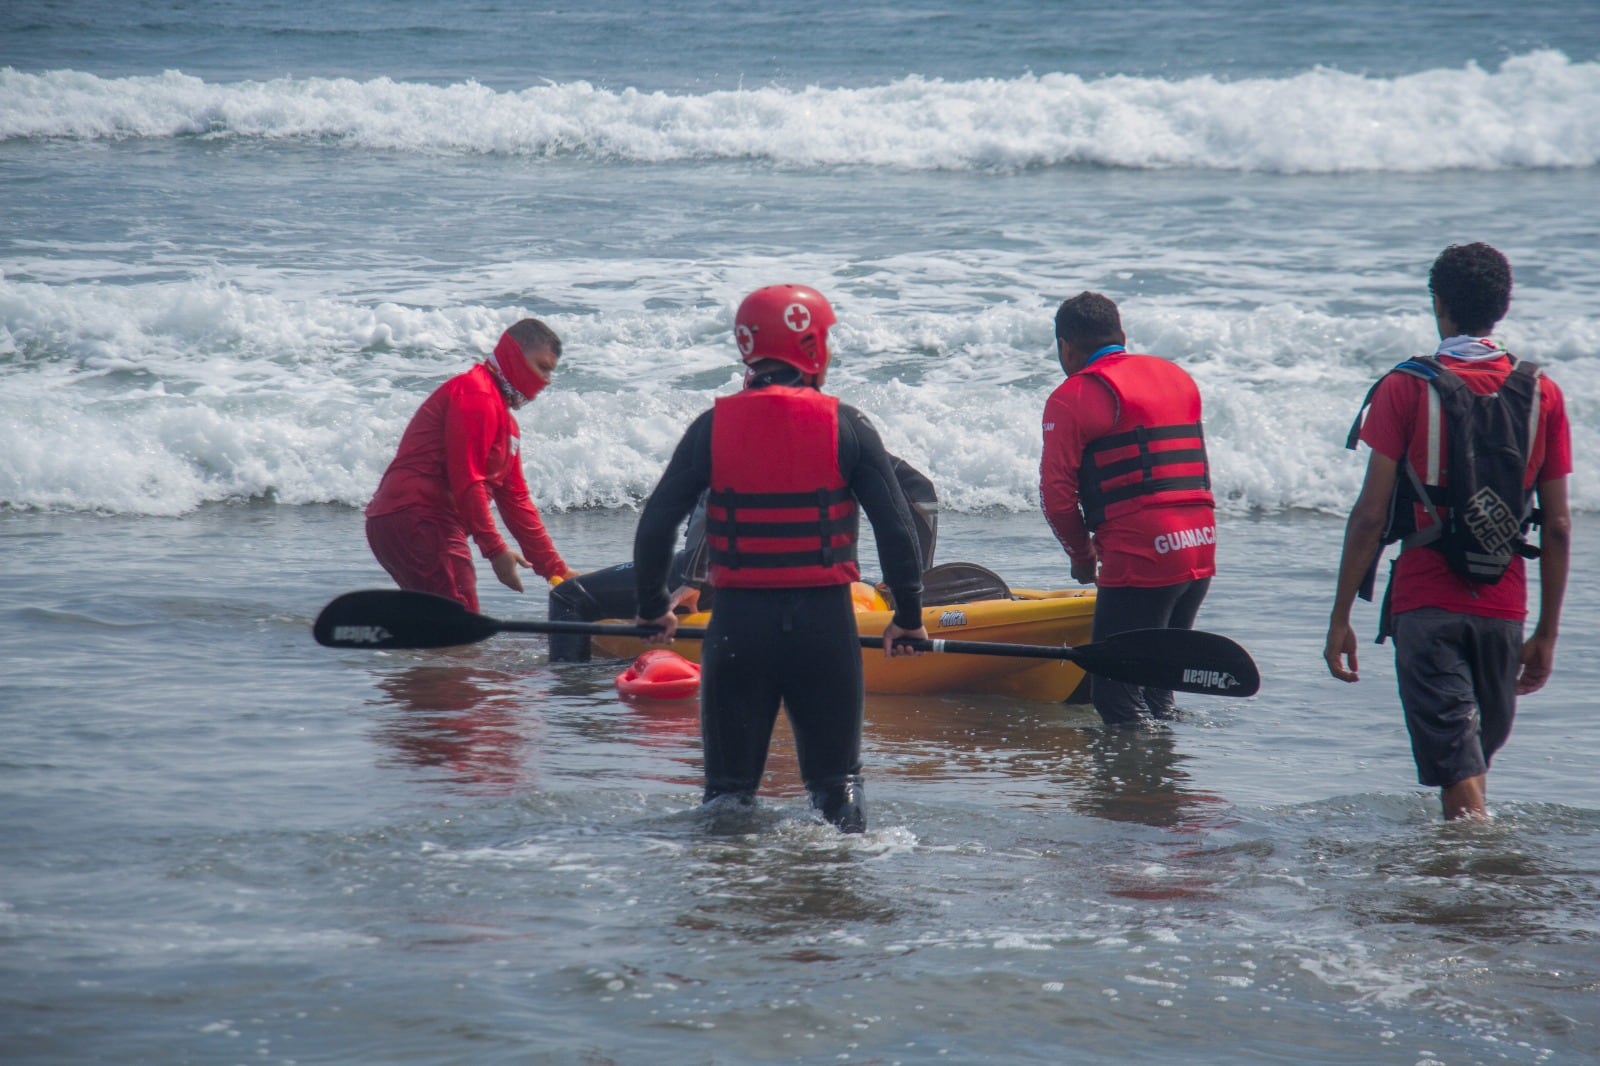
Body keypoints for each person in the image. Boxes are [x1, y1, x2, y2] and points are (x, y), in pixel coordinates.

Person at [631, 284, 929, 833]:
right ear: (809, 344)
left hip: (738, 628)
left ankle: (728, 899)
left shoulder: (711, 427)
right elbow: (897, 528)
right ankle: (837, 899)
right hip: (824, 628)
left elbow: (654, 525)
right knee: (836, 791)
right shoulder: (849, 425)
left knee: (727, 797)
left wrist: (653, 608)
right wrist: (908, 616)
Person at [1324, 243, 1571, 821]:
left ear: (1439, 304)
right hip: (1505, 605)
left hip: (1426, 602)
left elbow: (1369, 515)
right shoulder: (1545, 393)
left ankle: (1479, 882)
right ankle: (1473, 894)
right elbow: (1557, 527)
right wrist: (1548, 633)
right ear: (1502, 308)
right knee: (1467, 761)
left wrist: (1341, 616)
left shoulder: (1404, 387)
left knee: (1459, 771)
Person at [547, 455, 938, 662]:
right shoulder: (840, 429)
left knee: (569, 596)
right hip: (815, 585)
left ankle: (572, 699)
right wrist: (912, 588)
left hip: (714, 580)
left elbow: (710, 506)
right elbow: (918, 489)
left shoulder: (732, 429)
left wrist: (697, 579)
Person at [1039, 291, 1217, 725]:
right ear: (1122, 334)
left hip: (1144, 554)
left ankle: (1133, 792)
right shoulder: (1177, 376)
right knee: (1158, 686)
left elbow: (1056, 497)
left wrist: (1082, 557)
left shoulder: (1073, 395)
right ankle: (1167, 780)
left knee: (1116, 696)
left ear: (1066, 345)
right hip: (1201, 544)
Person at [365, 318, 577, 614]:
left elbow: (516, 499)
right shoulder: (476, 395)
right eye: (541, 367)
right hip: (419, 520)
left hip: (405, 522)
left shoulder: (507, 424)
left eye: (550, 372)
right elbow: (469, 481)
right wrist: (495, 550)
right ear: (513, 354)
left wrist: (556, 570)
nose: (546, 381)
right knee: (460, 621)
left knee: (442, 624)